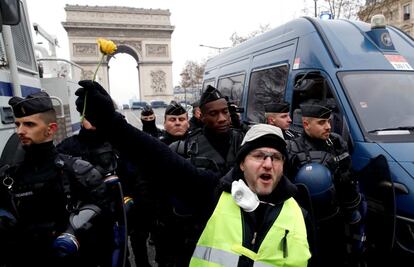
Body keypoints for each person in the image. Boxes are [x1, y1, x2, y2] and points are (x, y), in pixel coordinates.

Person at [74, 80, 311, 266]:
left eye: (276, 157)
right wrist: (110, 122)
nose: (268, 164)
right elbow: (158, 158)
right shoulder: (216, 192)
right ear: (241, 164)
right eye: (258, 156)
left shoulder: (300, 213)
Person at [0, 91, 112, 267]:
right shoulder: (8, 176)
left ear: (51, 129)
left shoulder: (77, 171)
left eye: (29, 124)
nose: (20, 131)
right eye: (18, 124)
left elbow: (105, 224)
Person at [286, 99, 365, 267]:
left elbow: (348, 177)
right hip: (306, 222)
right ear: (306, 124)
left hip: (335, 218)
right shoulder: (291, 149)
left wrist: (352, 209)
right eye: (321, 122)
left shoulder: (336, 143)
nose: (328, 126)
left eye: (328, 121)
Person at [170, 85, 244, 175]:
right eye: (213, 114)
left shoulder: (244, 140)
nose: (222, 119)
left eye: (225, 112)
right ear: (202, 117)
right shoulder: (185, 148)